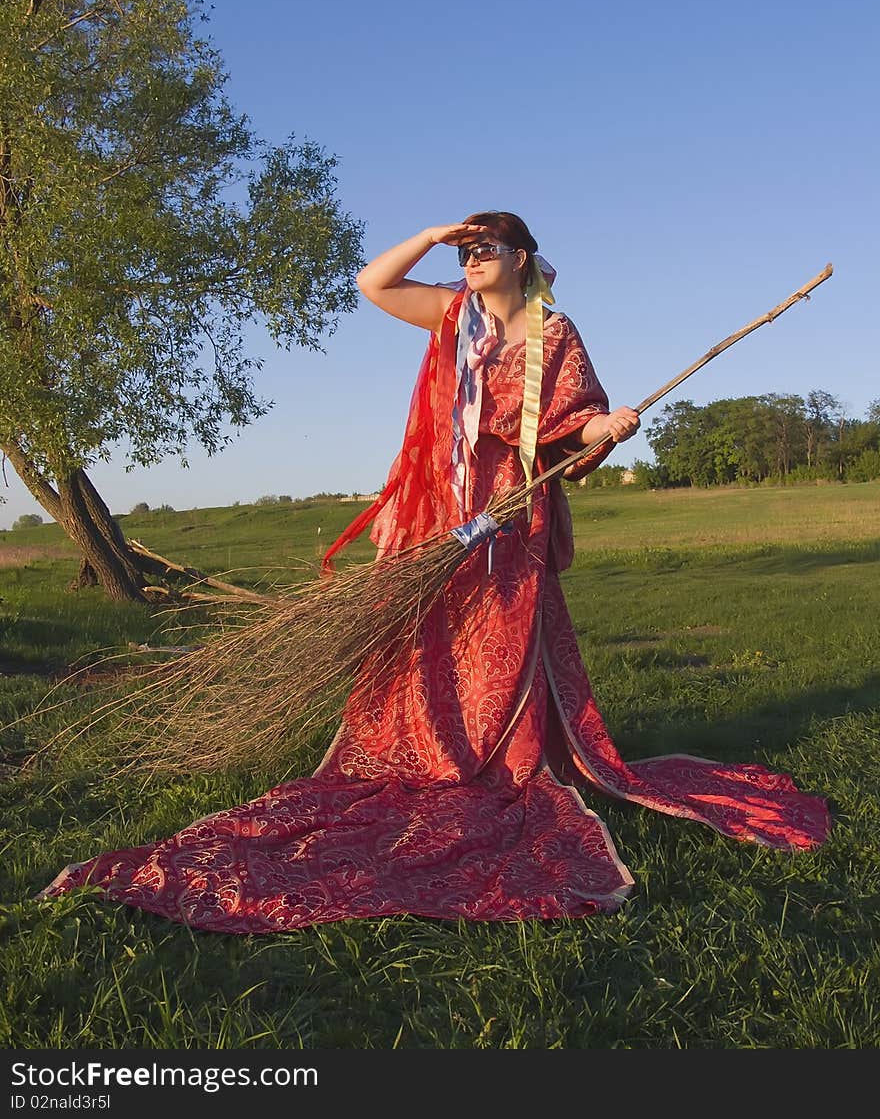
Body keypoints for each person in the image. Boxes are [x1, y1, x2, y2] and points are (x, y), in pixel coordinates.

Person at [40, 211, 830, 932]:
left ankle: (502, 754)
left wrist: (607, 424)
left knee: (501, 629)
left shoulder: (556, 335)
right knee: (424, 631)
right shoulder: (452, 315)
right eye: (467, 251)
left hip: (509, 505)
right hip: (435, 502)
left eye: (486, 249)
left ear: (523, 259)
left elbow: (575, 420)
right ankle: (421, 747)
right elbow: (371, 282)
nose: (473, 260)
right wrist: (430, 233)